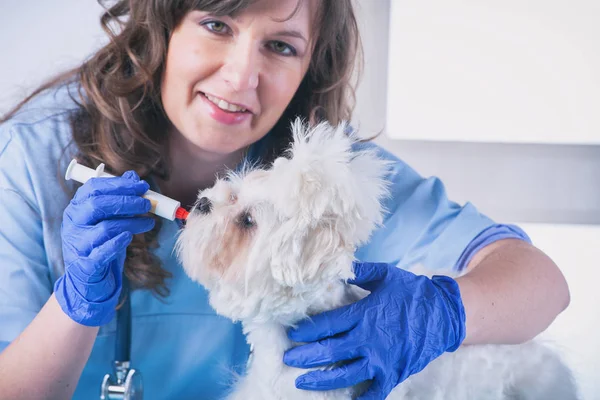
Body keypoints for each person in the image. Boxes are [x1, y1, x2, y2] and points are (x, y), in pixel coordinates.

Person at [0, 0, 570, 399]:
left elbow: (542, 286)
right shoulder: (31, 158)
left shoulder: (321, 187)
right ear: (163, 25)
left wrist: (442, 311)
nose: (241, 76)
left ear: (310, 65)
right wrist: (73, 306)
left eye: (280, 45)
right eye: (217, 24)